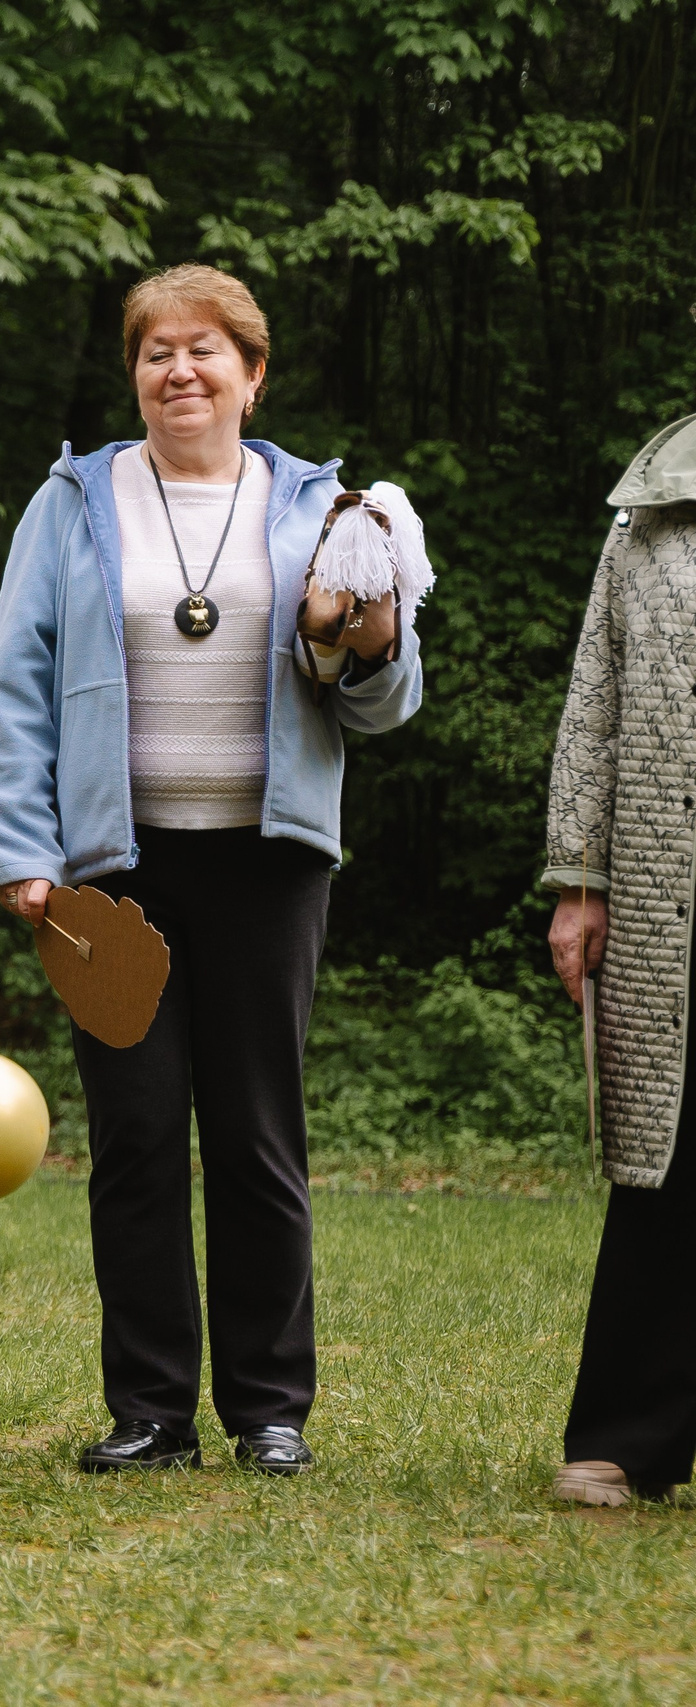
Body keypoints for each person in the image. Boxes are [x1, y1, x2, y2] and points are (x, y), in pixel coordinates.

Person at [0, 263, 423, 1477]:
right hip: (112, 871)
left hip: (269, 867)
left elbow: (382, 702)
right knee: (133, 1138)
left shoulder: (327, 509)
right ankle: (150, 1412)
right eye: (155, 351)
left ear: (252, 374)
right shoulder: (71, 500)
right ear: (134, 374)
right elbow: (14, 683)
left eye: (204, 350)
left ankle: (269, 1410)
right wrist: (21, 847)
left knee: (255, 1136)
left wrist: (365, 642)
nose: (178, 371)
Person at [543, 409, 696, 1506]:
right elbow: (594, 705)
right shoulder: (652, 509)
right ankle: (625, 1438)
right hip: (662, 882)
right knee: (668, 1159)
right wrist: (579, 879)